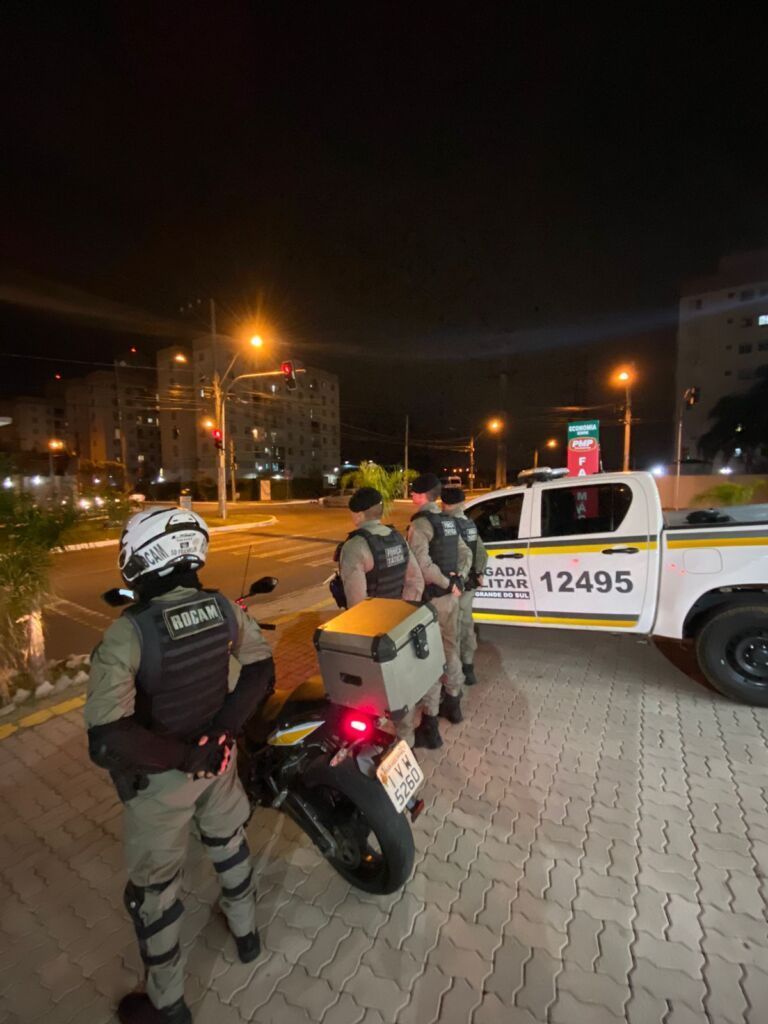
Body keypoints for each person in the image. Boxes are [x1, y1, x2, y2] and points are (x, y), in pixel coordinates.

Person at [85, 507, 275, 1024]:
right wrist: (223, 735)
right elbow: (261, 669)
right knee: (229, 843)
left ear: (141, 558)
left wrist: (190, 755)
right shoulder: (222, 607)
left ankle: (167, 1005)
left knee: (155, 891)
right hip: (219, 762)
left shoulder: (128, 633)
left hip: (162, 780)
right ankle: (247, 936)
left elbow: (107, 739)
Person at [408, 473, 472, 742]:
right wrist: (459, 581)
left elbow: (422, 565)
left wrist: (447, 583)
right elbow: (466, 553)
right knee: (450, 649)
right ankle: (454, 705)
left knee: (431, 660)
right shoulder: (449, 521)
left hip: (432, 600)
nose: (411, 495)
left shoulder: (421, 524)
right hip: (451, 600)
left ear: (421, 495)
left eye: (413, 492)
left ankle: (430, 723)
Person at [335, 486, 424, 608]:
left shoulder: (355, 546)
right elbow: (416, 581)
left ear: (359, 515)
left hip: (372, 618)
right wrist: (403, 612)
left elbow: (356, 602)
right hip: (399, 615)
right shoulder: (399, 539)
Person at [441, 486, 488, 686]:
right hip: (469, 583)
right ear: (461, 503)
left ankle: (455, 674)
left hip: (453, 584)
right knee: (467, 623)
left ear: (444, 504)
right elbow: (481, 552)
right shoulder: (470, 524)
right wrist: (479, 573)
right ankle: (468, 668)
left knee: (452, 628)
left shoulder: (447, 524)